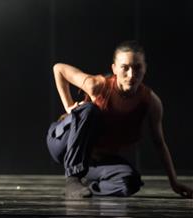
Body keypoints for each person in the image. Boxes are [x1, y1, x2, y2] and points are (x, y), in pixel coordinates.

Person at [48, 40, 193, 199]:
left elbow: (159, 144)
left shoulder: (151, 102)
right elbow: (59, 68)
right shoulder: (97, 86)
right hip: (63, 143)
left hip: (92, 159)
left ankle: (88, 187)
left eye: (137, 68)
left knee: (130, 181)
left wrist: (174, 183)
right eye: (125, 68)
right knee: (89, 110)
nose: (131, 75)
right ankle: (72, 180)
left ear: (145, 69)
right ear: (114, 69)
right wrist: (69, 106)